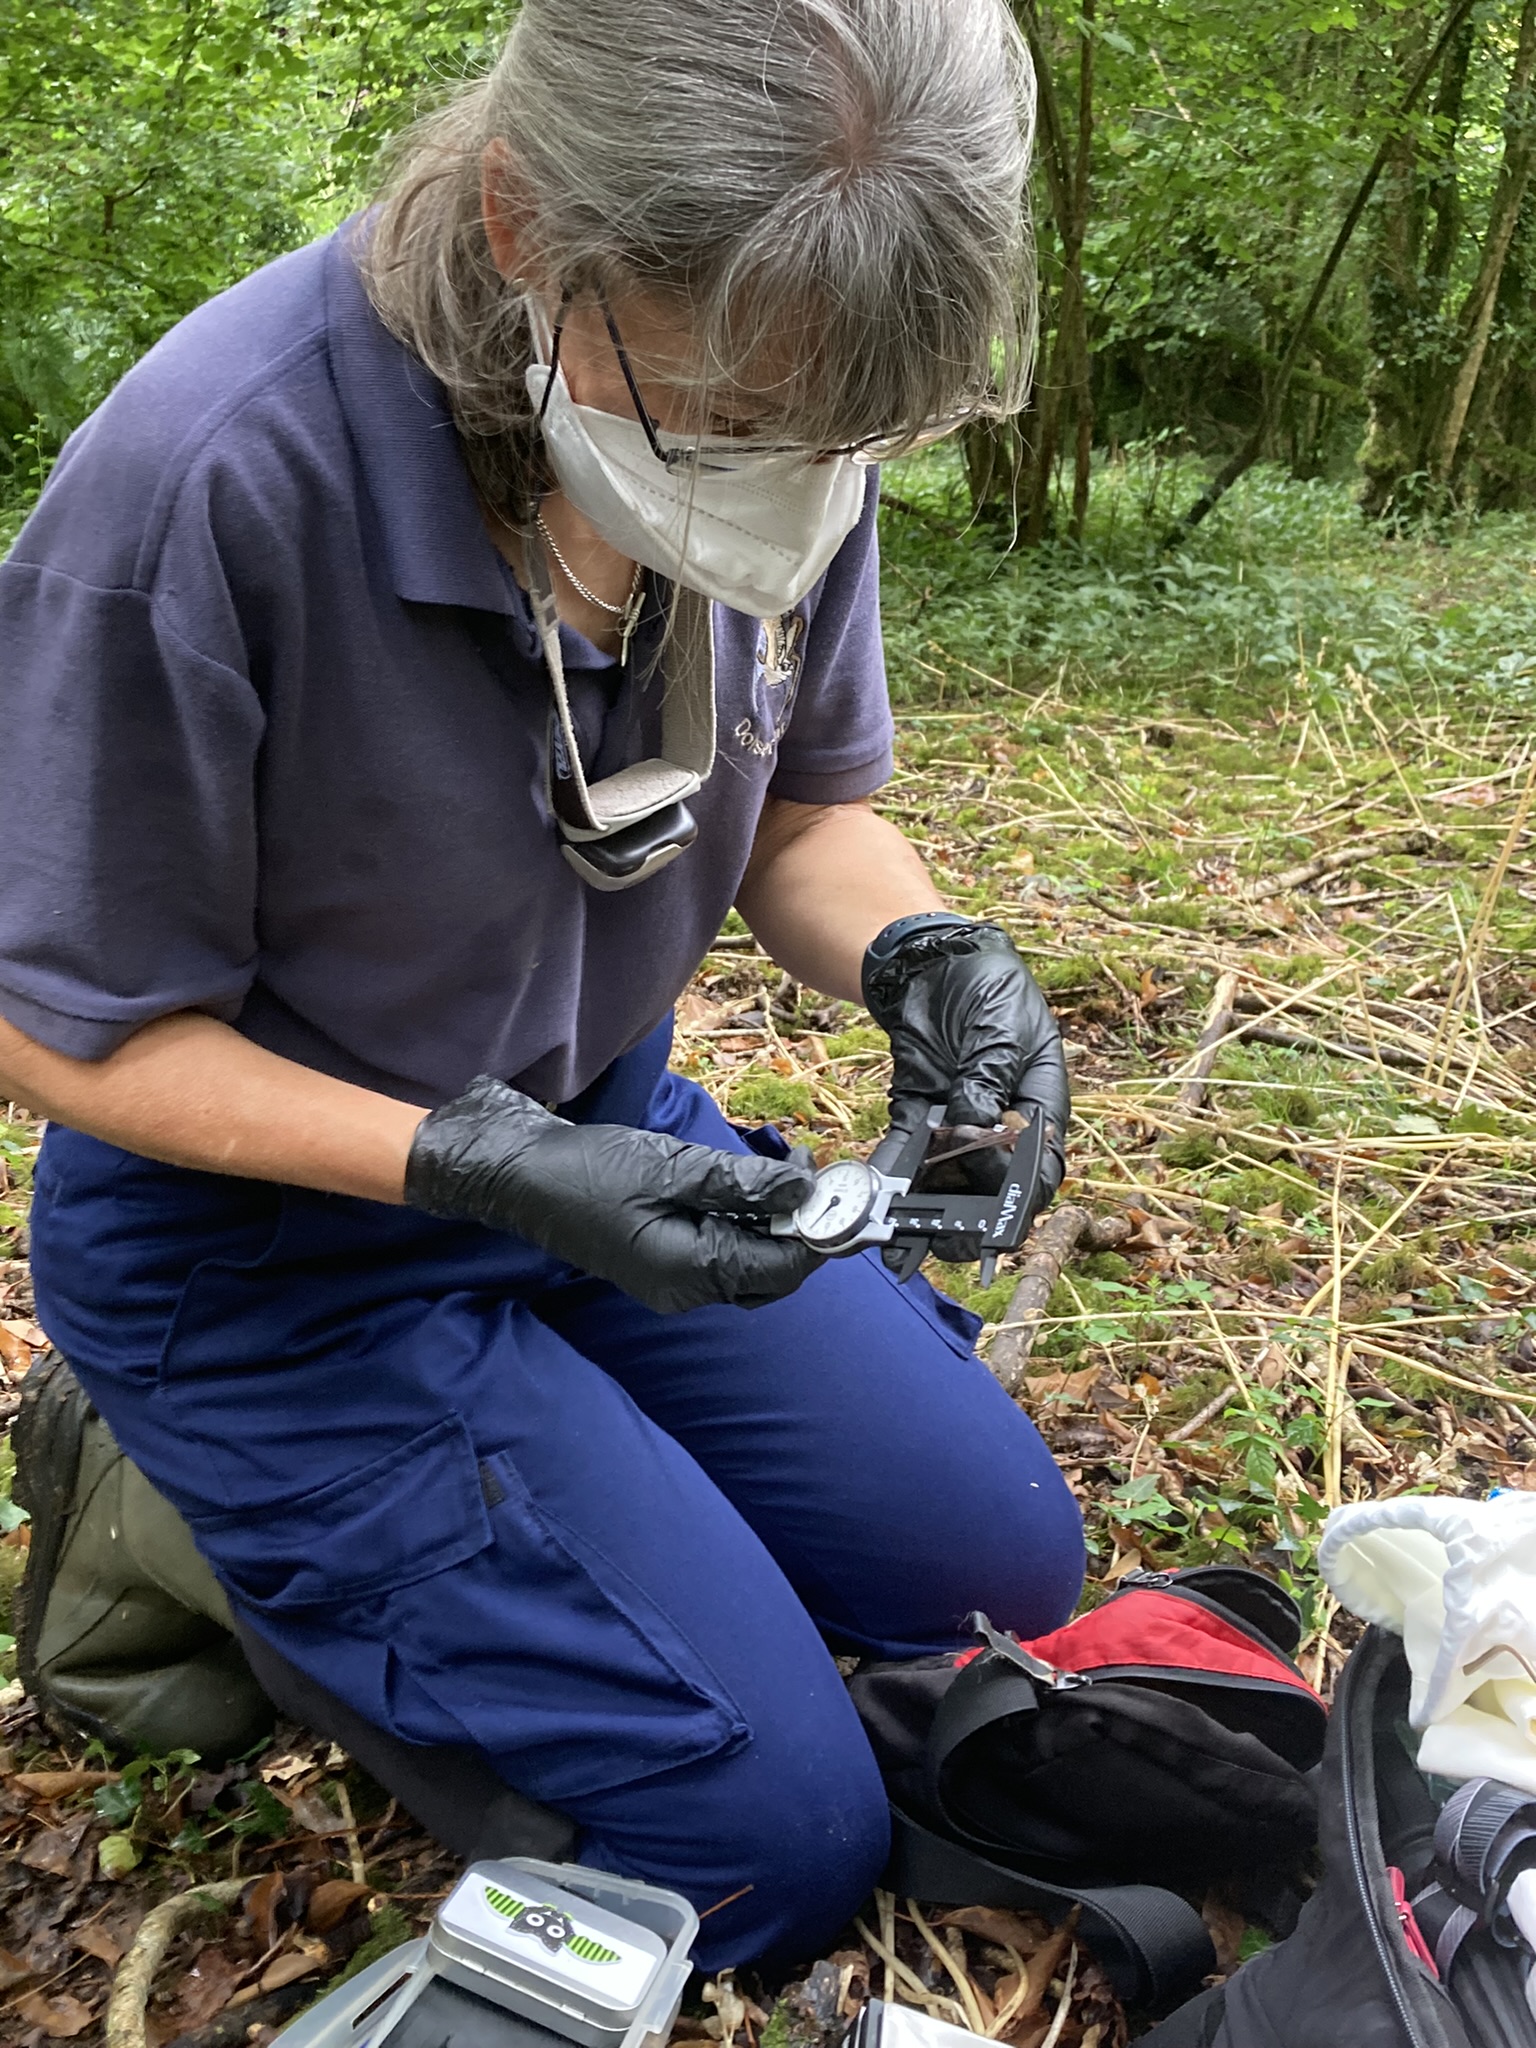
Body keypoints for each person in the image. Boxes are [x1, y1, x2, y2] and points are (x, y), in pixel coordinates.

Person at [0, 0, 1082, 1969]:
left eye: (835, 438)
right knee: (770, 1845)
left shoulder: (788, 397)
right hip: (256, 1251)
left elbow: (799, 814)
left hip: (599, 1144)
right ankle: (176, 1505)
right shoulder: (210, 484)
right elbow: (68, 1023)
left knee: (1001, 1571)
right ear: (525, 226)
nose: (790, 483)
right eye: (731, 425)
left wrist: (925, 952)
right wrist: (463, 1164)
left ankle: (559, 1444)